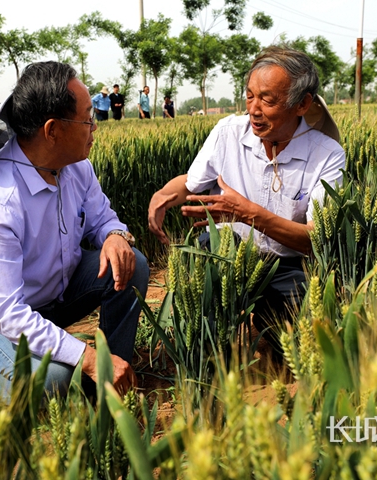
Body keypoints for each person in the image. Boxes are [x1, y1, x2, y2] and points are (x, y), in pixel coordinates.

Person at [0, 62, 149, 400]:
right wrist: (86, 356)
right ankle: (17, 377)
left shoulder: (76, 166)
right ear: (53, 130)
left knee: (134, 265)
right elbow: (7, 313)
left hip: (58, 292)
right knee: (52, 381)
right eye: (88, 118)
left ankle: (113, 377)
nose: (94, 127)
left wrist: (115, 236)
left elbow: (103, 217)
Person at [147, 46, 344, 351]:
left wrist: (247, 213)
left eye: (268, 99)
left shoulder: (327, 155)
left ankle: (265, 316)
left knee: (300, 350)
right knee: (202, 331)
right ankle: (210, 349)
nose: (253, 108)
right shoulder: (228, 132)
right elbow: (190, 183)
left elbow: (314, 240)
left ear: (302, 104)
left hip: (286, 265)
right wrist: (162, 196)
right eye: (250, 95)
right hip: (228, 251)